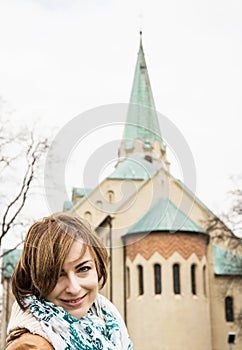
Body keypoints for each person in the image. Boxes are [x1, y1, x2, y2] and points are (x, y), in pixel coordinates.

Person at [5, 212, 133, 349]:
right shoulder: (31, 347)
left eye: (83, 269)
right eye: (57, 275)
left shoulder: (107, 321)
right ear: (35, 280)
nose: (74, 288)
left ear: (98, 267)